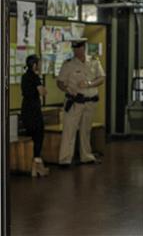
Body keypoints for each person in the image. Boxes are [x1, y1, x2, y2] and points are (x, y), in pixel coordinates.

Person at [56, 38, 105, 167]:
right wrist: (67, 89)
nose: (77, 51)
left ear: (84, 48)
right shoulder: (68, 64)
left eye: (79, 48)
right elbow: (60, 82)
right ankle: (65, 159)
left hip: (90, 102)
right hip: (75, 102)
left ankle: (86, 156)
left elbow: (101, 78)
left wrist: (89, 83)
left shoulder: (94, 62)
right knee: (69, 131)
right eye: (75, 49)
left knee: (86, 131)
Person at [21, 54, 49, 177]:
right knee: (38, 136)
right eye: (39, 63)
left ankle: (33, 165)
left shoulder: (24, 76)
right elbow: (43, 92)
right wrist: (42, 86)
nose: (41, 66)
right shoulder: (35, 77)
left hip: (25, 109)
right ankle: (37, 165)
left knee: (31, 135)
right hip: (34, 110)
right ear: (34, 65)